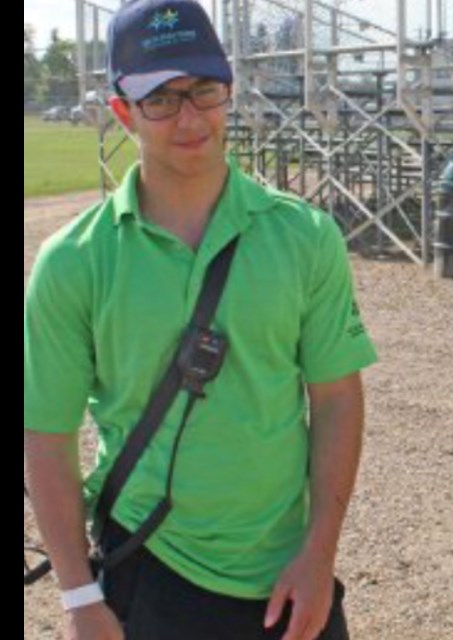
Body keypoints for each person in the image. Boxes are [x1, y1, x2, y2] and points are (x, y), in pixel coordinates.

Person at [23, 1, 377, 638]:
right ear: (122, 112)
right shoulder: (74, 261)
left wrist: (319, 556)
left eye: (204, 91)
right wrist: (79, 595)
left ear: (230, 91)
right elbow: (45, 436)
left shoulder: (306, 237)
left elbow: (336, 401)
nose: (190, 117)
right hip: (149, 573)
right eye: (161, 98)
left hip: (287, 577)